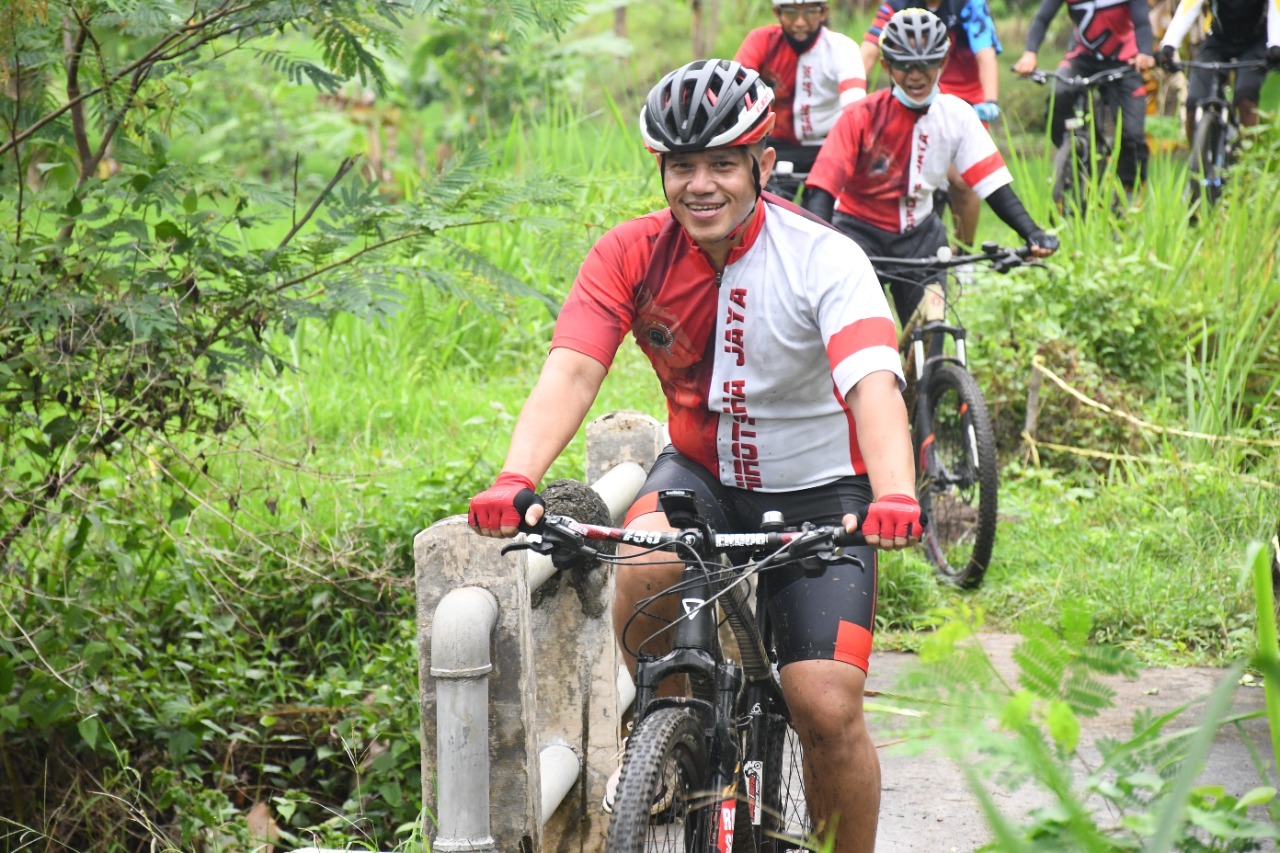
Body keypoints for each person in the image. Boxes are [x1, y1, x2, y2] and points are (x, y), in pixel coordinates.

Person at [469, 58, 923, 853]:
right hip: (702, 475)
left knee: (823, 703)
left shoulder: (824, 258)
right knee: (643, 569)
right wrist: (516, 476)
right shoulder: (630, 255)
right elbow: (574, 367)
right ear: (661, 170)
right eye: (683, 166)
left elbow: (874, 385)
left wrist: (894, 492)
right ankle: (680, 743)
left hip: (825, 491)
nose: (701, 184)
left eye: (723, 163)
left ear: (764, 165)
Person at [805, 9, 1057, 326]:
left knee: (935, 326)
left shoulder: (958, 114)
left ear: (943, 64)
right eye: (905, 65)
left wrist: (1032, 232)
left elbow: (992, 185)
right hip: (861, 235)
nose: (916, 75)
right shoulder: (861, 116)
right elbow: (823, 189)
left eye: (927, 65)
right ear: (886, 66)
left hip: (922, 238)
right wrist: (820, 249)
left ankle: (937, 373)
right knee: (862, 332)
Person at [861, 0, 1003, 248]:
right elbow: (870, 51)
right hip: (914, 95)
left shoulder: (969, 5)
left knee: (962, 180)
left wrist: (990, 100)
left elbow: (985, 55)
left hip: (967, 100)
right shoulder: (896, 4)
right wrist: (852, 95)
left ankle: (964, 253)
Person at [1013, 0, 1157, 199]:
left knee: (1131, 136)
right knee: (1059, 96)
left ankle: (1130, 193)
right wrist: (1030, 54)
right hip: (1082, 59)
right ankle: (1070, 155)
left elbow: (1142, 23)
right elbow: (1042, 19)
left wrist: (1145, 53)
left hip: (1125, 62)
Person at [734, 0, 867, 203]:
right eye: (790, 13)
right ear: (777, 13)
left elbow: (855, 108)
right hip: (776, 144)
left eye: (810, 12)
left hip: (826, 147)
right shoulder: (762, 40)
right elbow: (735, 90)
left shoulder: (842, 48)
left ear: (824, 12)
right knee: (761, 207)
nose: (800, 23)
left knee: (822, 216)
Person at [1158, 0, 1280, 143]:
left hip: (1254, 44)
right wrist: (1169, 45)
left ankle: (1249, 155)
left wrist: (1275, 45)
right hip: (1217, 42)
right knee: (1194, 100)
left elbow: (1276, 7)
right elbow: (1188, 7)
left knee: (1246, 97)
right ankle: (1195, 157)